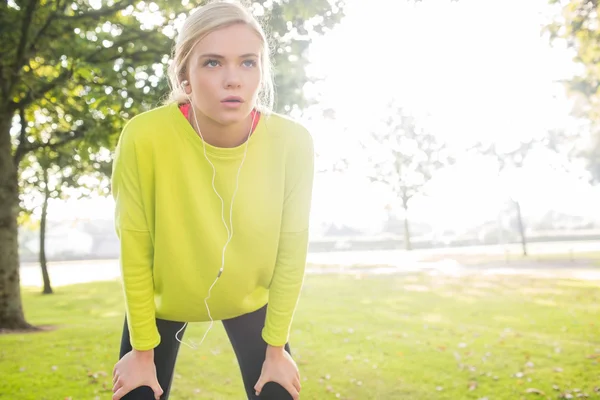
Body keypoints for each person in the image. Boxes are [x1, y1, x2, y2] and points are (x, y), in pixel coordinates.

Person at [110, 1, 314, 399]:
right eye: (213, 63)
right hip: (163, 301)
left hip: (251, 299)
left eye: (248, 63)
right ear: (185, 74)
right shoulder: (143, 137)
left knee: (278, 392)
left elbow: (292, 249)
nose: (233, 79)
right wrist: (140, 350)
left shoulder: (292, 142)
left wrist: (276, 349)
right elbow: (134, 245)